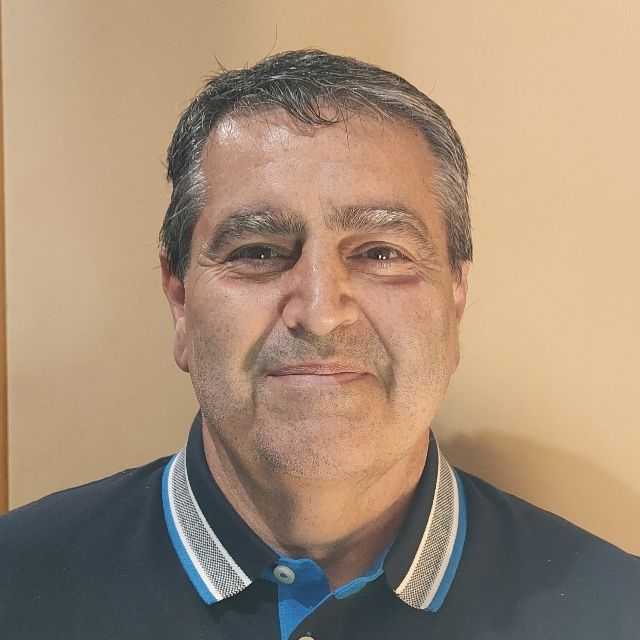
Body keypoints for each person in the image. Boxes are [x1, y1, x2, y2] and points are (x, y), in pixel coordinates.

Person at [0, 49, 637, 640]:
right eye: (258, 252)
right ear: (180, 300)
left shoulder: (616, 612)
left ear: (456, 297)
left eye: (381, 253)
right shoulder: (16, 587)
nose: (321, 314)